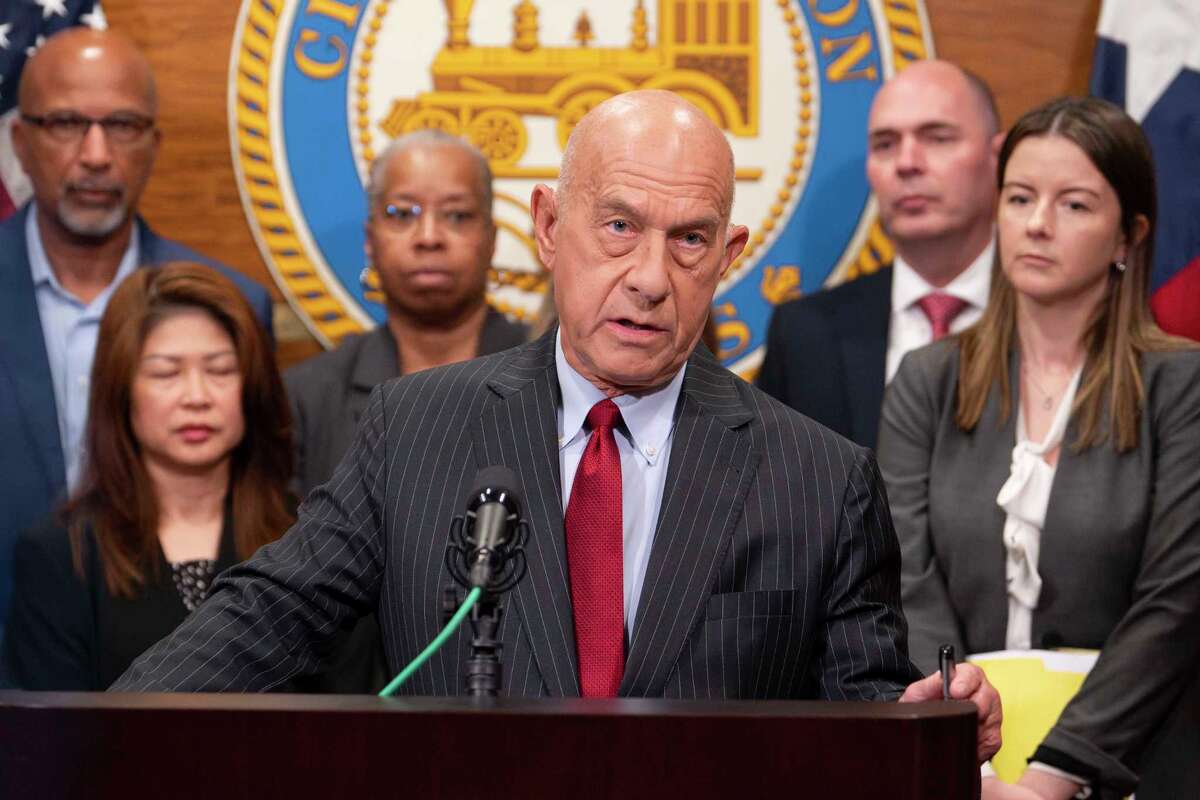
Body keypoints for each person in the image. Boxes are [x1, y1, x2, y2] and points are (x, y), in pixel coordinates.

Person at [111, 91, 1001, 763]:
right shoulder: (417, 427)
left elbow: (871, 720)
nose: (650, 276)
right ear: (547, 226)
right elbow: (271, 614)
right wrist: (91, 745)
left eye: (690, 241)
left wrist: (929, 722)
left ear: (728, 258)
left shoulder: (820, 479)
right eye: (618, 226)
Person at [878, 96, 1200, 799]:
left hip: (1139, 762)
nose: (1038, 224)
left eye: (1075, 205)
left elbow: (1175, 603)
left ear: (1128, 236)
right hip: (963, 759)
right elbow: (906, 577)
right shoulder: (928, 379)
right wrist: (975, 761)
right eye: (1020, 197)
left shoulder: (1182, 385)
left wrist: (1058, 775)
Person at [0, 28, 273, 642]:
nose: (96, 154)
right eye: (67, 123)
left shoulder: (231, 304)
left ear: (153, 143)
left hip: (156, 655)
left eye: (122, 125)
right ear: (20, 141)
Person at [2, 263, 293, 690]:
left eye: (220, 369)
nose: (197, 397)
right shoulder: (60, 555)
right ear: (121, 389)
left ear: (252, 386)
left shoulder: (306, 538)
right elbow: (45, 744)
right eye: (165, 373)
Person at [757, 60, 1002, 449]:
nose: (906, 163)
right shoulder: (805, 334)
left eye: (938, 138)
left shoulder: (1056, 317)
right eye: (885, 145)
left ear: (998, 158)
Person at [285, 130, 528, 498]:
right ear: (370, 240)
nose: (428, 236)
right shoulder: (309, 397)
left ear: (491, 239)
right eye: (402, 214)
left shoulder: (552, 372)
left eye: (457, 215)